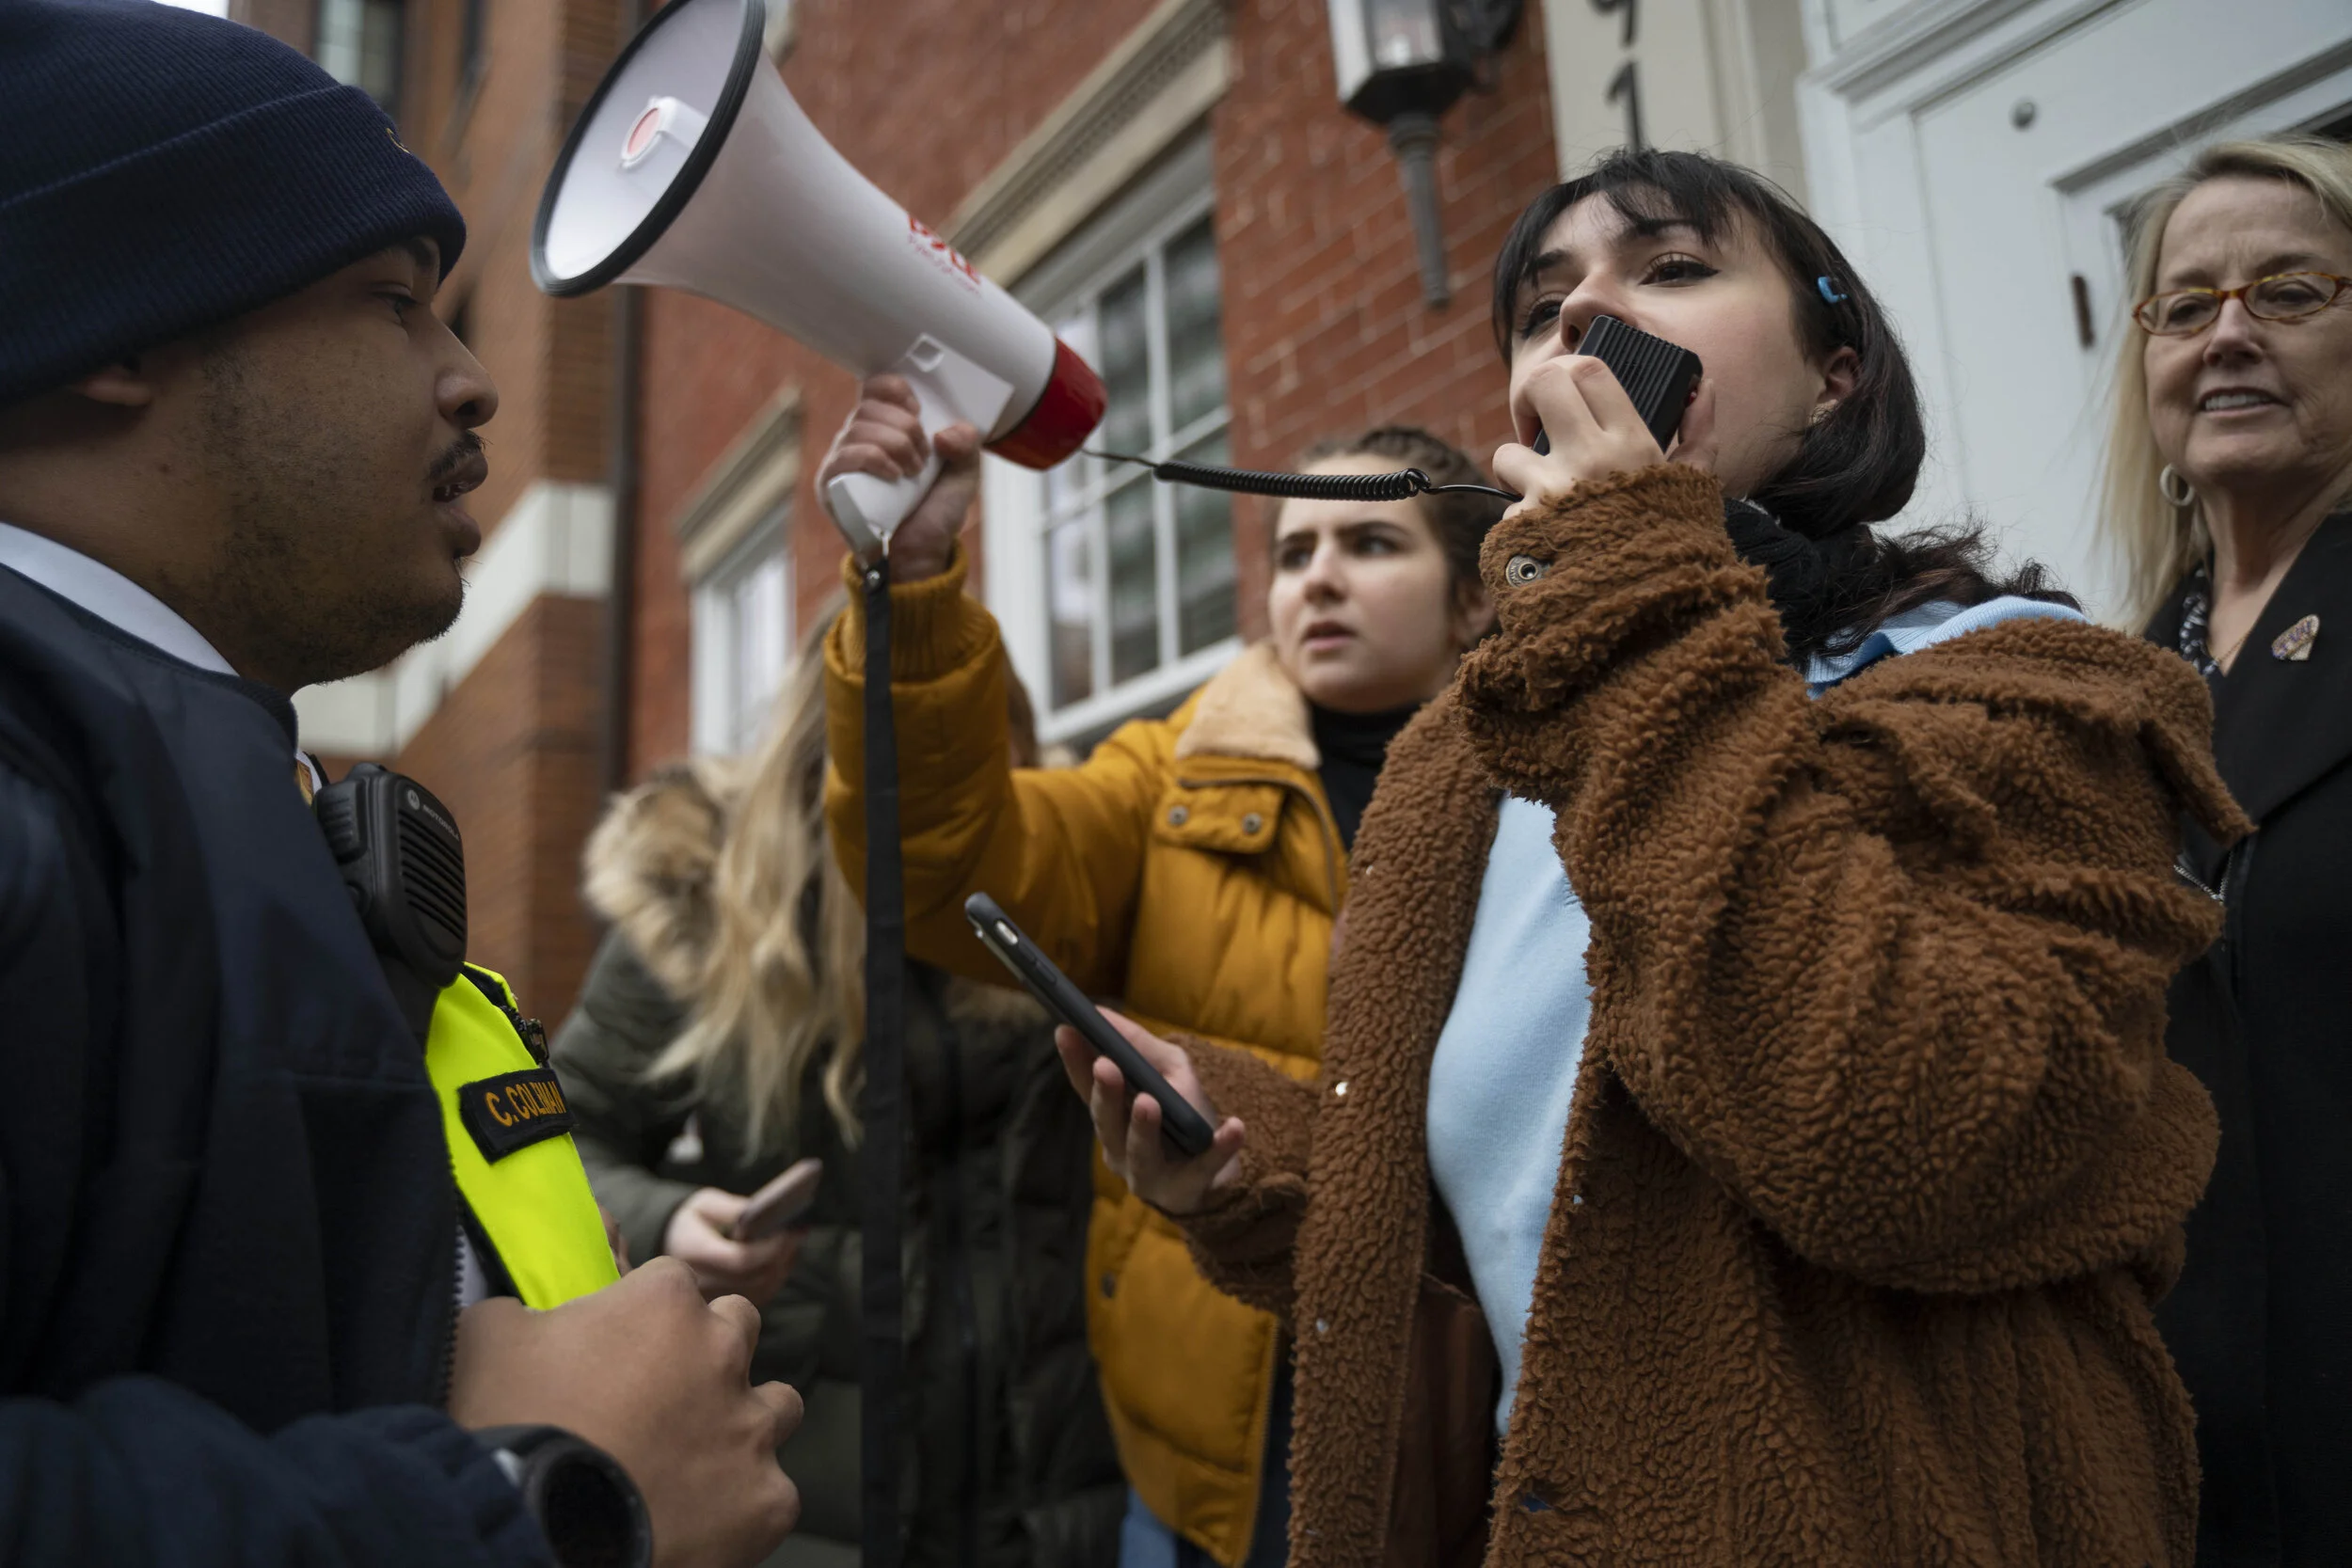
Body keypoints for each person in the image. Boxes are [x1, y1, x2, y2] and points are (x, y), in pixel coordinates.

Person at [1064, 149, 2249, 1567]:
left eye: (1674, 269)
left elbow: (1905, 1142)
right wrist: (1250, 1154)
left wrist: (1630, 584)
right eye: (1543, 303)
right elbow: (1558, 1198)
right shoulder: (1478, 755)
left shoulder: (2033, 693)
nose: (1585, 321)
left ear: (1836, 375)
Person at [0, 3, 798, 1563]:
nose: (473, 380)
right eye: (393, 302)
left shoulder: (170, 779)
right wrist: (535, 1496)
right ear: (115, 334)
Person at [815, 408, 1503, 1567]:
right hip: (1216, 1459)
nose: (1320, 575)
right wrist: (916, 581)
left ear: (1475, 595)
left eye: (1372, 545)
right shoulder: (1164, 777)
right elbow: (938, 861)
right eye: (1294, 553)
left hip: (1491, 1405)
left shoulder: (1549, 788)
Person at [552, 615, 1127, 1568]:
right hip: (808, 1487)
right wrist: (668, 1218)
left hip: (1052, 1489)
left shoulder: (1073, 886)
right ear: (827, 762)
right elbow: (552, 1136)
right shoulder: (704, 910)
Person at [2099, 133, 2352, 1564]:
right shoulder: (2113, 686)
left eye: (2292, 292)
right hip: (2185, 1455)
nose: (2231, 334)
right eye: (2187, 307)